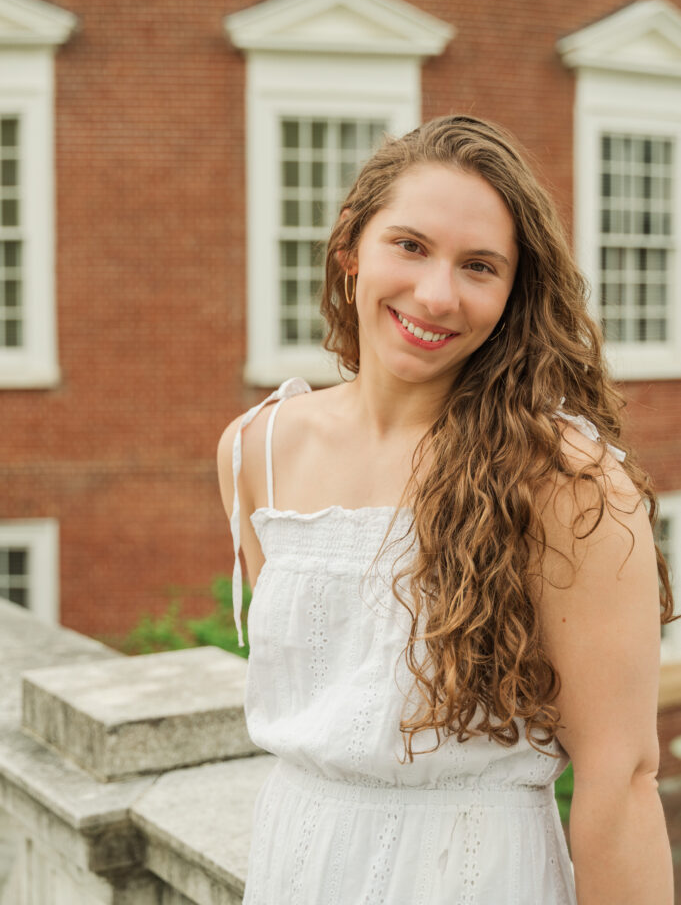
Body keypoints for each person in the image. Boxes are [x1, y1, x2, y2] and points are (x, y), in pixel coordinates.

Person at [217, 115, 674, 904]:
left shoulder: (565, 478)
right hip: (293, 865)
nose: (436, 294)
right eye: (410, 245)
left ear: (512, 294)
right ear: (350, 249)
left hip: (474, 875)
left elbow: (621, 779)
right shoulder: (257, 449)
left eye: (479, 266)